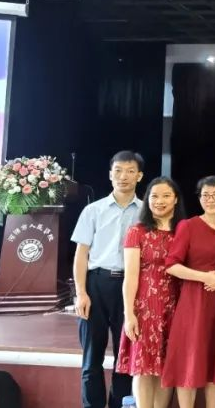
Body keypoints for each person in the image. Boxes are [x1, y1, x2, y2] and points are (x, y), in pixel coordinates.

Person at [72, 150, 144, 408]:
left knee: (125, 357)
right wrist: (81, 293)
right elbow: (81, 254)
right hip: (97, 284)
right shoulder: (93, 210)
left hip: (132, 287)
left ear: (139, 176)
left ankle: (119, 405)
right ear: (110, 174)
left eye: (130, 171)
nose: (123, 176)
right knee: (91, 357)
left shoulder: (146, 212)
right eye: (118, 171)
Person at [161, 176, 215, 408]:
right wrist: (205, 277)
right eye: (205, 195)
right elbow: (172, 265)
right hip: (194, 301)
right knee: (188, 360)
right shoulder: (188, 226)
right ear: (200, 199)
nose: (211, 199)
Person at [116, 177, 185, 408]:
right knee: (144, 367)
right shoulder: (137, 231)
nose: (159, 201)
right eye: (154, 196)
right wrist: (129, 314)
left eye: (166, 196)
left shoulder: (184, 231)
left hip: (177, 305)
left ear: (176, 199)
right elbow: (130, 277)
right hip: (145, 306)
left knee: (167, 367)